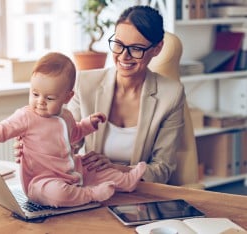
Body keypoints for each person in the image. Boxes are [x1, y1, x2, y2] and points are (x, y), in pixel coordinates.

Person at [0, 52, 146, 207]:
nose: (40, 102)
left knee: (97, 170)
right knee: (57, 193)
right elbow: (1, 129)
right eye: (35, 94)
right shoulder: (26, 116)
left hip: (71, 169)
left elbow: (74, 133)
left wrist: (88, 124)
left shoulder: (66, 115)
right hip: (41, 180)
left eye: (49, 98)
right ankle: (91, 195)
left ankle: (126, 181)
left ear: (67, 97)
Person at [15, 5, 185, 184]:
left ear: (157, 49)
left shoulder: (171, 95)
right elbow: (67, 141)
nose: (123, 56)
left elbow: (162, 169)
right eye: (118, 44)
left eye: (136, 48)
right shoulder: (85, 83)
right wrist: (36, 147)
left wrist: (116, 169)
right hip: (90, 187)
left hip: (139, 193)